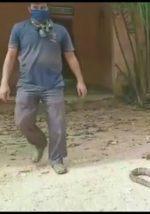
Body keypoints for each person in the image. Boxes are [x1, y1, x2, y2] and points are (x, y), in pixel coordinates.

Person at [0, 3, 87, 174]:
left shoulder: (60, 31)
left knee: (57, 124)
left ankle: (56, 159)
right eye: (36, 6)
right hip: (27, 84)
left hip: (53, 85)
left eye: (43, 6)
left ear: (48, 8)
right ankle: (39, 143)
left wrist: (80, 80)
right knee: (22, 121)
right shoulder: (19, 29)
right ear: (29, 8)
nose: (40, 9)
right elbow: (10, 56)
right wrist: (4, 82)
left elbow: (70, 56)